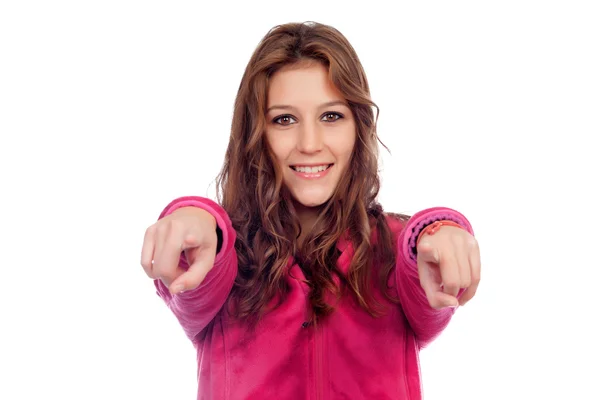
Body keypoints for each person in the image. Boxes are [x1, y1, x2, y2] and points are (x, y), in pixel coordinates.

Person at [140, 21, 480, 400]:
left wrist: (442, 229)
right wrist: (197, 217)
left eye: (331, 116)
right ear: (256, 134)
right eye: (284, 120)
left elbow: (423, 255)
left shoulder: (397, 258)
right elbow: (200, 257)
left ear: (358, 127)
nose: (309, 143)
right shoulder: (223, 262)